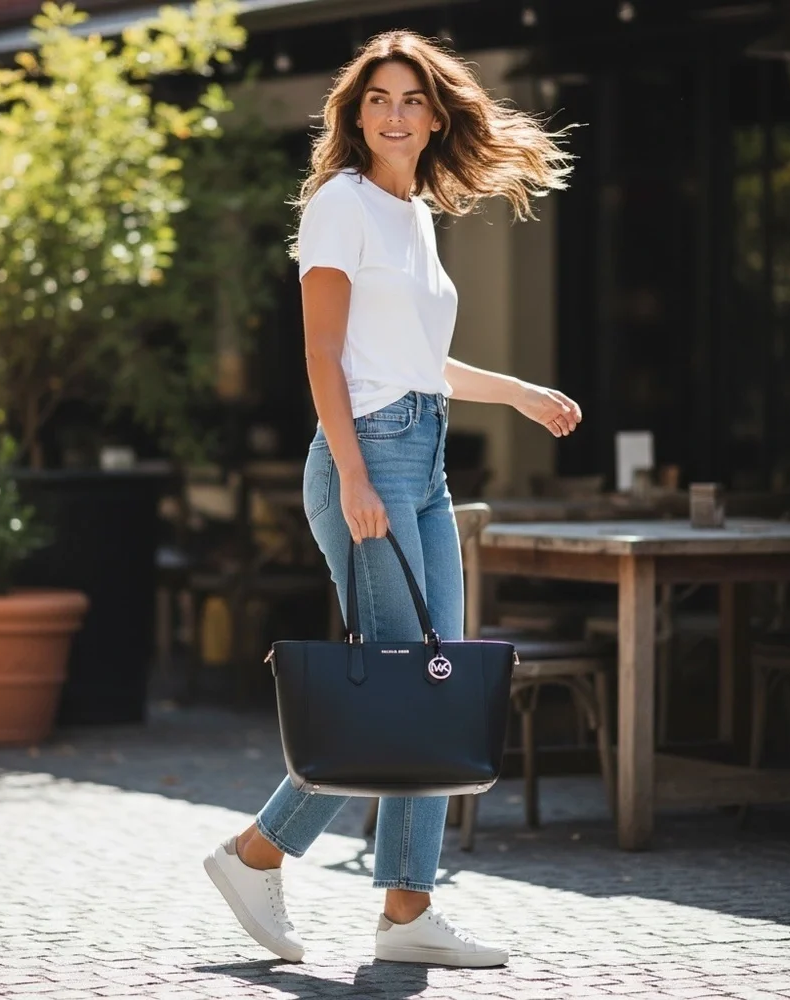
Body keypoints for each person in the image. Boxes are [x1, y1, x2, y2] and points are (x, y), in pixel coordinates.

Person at [204, 29, 581, 968]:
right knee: (403, 687)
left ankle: (407, 914)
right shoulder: (340, 204)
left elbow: (420, 364)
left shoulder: (411, 215)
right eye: (378, 97)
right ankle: (257, 854)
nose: (396, 112)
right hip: (364, 455)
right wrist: (359, 476)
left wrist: (522, 394)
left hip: (423, 450)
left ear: (435, 113)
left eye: (412, 97)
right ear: (355, 113)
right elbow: (323, 355)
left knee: (435, 689)